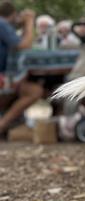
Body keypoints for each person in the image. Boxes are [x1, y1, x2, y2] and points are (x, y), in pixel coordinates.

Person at [0, 1, 43, 137]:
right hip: (2, 78)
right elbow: (25, 45)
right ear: (13, 15)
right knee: (35, 91)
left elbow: (22, 41)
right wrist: (30, 21)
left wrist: (25, 25)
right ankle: (2, 124)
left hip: (5, 75)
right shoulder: (2, 24)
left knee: (26, 86)